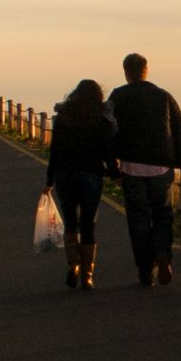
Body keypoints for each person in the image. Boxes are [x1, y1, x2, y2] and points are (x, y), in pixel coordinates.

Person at [103, 52, 181, 288]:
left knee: (138, 219)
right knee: (163, 214)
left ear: (126, 72)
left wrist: (112, 169)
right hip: (161, 169)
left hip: (132, 168)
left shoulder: (118, 96)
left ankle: (145, 270)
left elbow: (108, 134)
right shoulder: (164, 97)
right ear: (146, 70)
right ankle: (163, 253)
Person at [45, 77, 117, 289]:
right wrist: (115, 174)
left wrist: (49, 181)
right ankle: (87, 275)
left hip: (65, 176)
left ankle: (73, 266)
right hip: (91, 176)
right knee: (88, 224)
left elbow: (54, 152)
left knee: (70, 222)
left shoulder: (64, 119)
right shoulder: (101, 121)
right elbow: (108, 153)